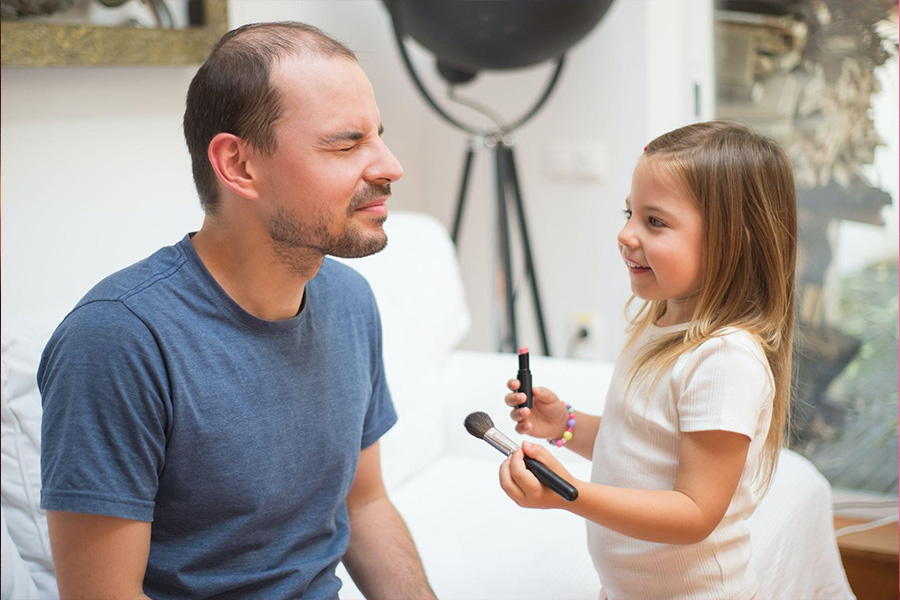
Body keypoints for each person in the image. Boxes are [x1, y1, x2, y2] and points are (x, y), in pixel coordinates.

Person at [38, 21, 436, 599]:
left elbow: (365, 503)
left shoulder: (350, 301)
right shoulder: (118, 339)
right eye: (347, 144)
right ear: (239, 165)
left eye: (378, 136)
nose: (390, 166)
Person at [499, 121, 797, 600]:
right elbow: (636, 449)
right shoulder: (658, 325)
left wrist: (569, 493)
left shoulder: (724, 360)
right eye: (629, 212)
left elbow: (694, 514)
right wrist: (564, 425)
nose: (625, 234)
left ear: (734, 242)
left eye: (654, 221)